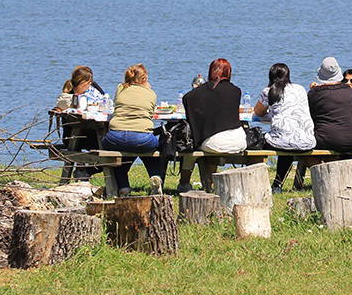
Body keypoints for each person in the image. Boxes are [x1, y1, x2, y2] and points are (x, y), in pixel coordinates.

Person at [178, 58, 246, 193]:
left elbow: (187, 98)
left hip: (214, 142)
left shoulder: (200, 91)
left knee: (191, 148)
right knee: (210, 142)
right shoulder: (236, 91)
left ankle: (184, 184)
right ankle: (211, 183)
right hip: (239, 140)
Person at [101, 64, 164, 196]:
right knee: (150, 149)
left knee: (121, 150)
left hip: (115, 137)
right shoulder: (151, 94)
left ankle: (123, 187)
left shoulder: (120, 88)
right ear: (144, 79)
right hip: (142, 138)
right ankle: (155, 176)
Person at [253, 63, 315, 192]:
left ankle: (259, 183)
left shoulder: (269, 91)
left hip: (284, 140)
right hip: (307, 139)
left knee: (258, 142)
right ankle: (277, 184)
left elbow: (258, 112)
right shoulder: (300, 89)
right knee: (285, 140)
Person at [56, 66, 104, 179]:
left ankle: (84, 171)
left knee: (111, 149)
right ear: (83, 82)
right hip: (76, 139)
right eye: (89, 83)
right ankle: (84, 171)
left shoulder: (91, 91)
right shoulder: (68, 97)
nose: (91, 85)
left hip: (87, 137)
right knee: (108, 150)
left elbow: (103, 96)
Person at [309, 56, 352, 152]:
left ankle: (326, 164)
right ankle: (335, 164)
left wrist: (311, 91)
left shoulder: (316, 93)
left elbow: (307, 113)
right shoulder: (349, 91)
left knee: (301, 149)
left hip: (328, 139)